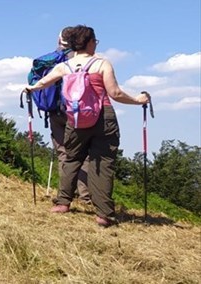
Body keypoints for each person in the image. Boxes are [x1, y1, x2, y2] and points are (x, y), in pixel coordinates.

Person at [24, 25, 149, 227]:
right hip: (103, 118)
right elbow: (115, 93)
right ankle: (103, 214)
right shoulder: (101, 64)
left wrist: (29, 88)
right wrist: (138, 100)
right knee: (103, 163)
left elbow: (43, 83)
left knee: (71, 158)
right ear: (90, 42)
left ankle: (63, 203)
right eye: (95, 41)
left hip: (75, 118)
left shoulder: (65, 66)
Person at [47, 28, 91, 204]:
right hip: (76, 112)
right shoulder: (79, 59)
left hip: (53, 111)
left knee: (63, 153)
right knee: (83, 153)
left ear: (59, 40)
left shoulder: (49, 59)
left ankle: (66, 193)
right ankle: (85, 196)